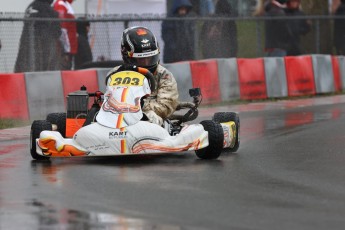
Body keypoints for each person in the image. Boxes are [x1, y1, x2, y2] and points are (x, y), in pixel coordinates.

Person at [106, 26, 179, 126]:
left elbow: (165, 107)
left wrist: (141, 105)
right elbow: (109, 100)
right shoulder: (116, 73)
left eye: (150, 58)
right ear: (127, 56)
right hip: (119, 117)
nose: (146, 63)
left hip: (152, 121)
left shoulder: (164, 75)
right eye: (141, 60)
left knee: (150, 117)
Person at [14, 0, 62, 73]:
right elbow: (57, 31)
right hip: (42, 46)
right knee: (41, 68)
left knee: (26, 65)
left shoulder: (31, 6)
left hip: (26, 44)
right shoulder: (47, 9)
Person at [53, 0, 78, 70]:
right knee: (65, 71)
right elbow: (62, 29)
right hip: (66, 50)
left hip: (69, 48)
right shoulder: (61, 5)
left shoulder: (65, 4)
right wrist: (65, 51)